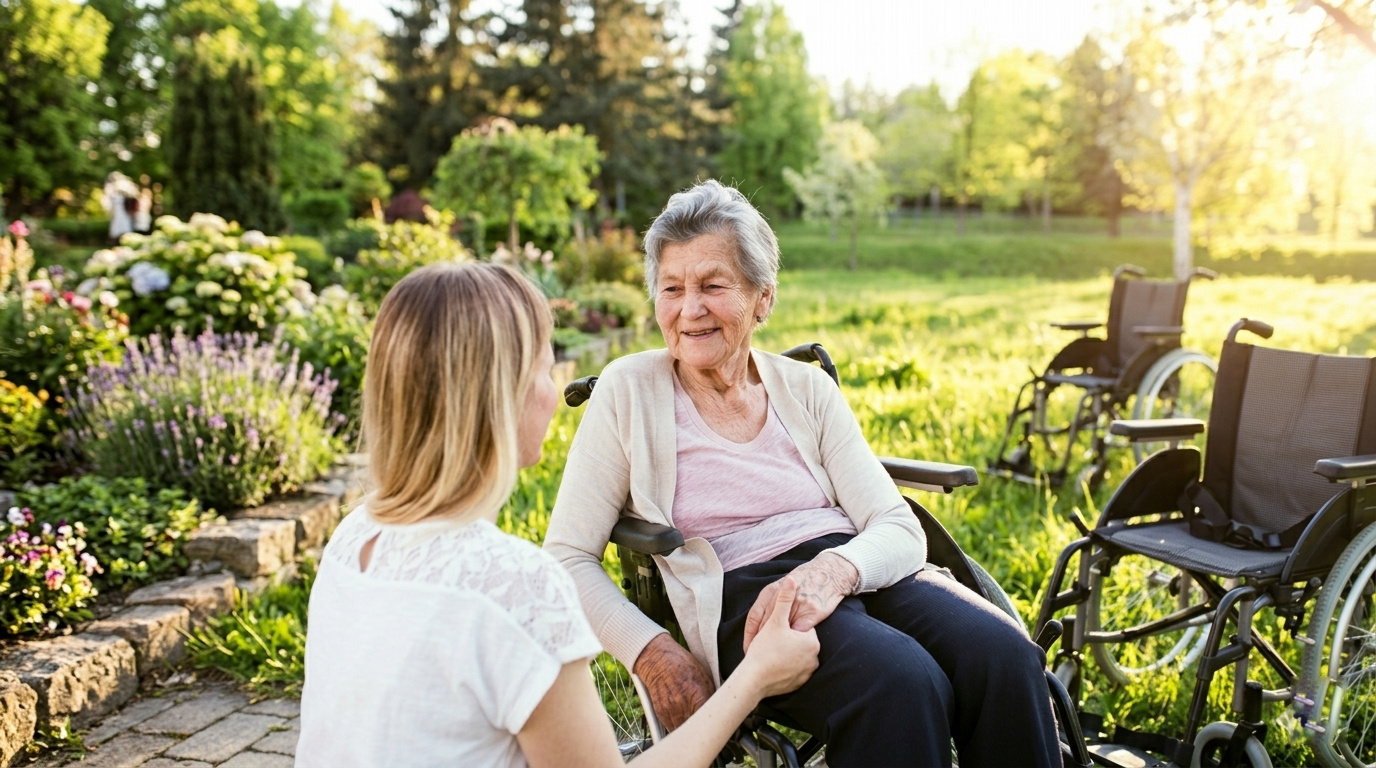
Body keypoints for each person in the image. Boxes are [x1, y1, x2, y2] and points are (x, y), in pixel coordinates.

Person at [544, 180, 1062, 767]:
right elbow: (565, 556)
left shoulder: (806, 389)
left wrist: (836, 570)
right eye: (672, 289)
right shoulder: (627, 390)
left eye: (714, 286)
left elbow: (894, 523)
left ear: (762, 299)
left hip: (854, 568)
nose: (690, 309)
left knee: (1007, 656)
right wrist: (651, 651)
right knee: (900, 682)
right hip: (744, 594)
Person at [295, 261, 819, 768]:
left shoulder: (352, 537)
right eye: (546, 369)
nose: (552, 392)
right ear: (502, 397)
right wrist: (757, 676)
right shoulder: (513, 586)